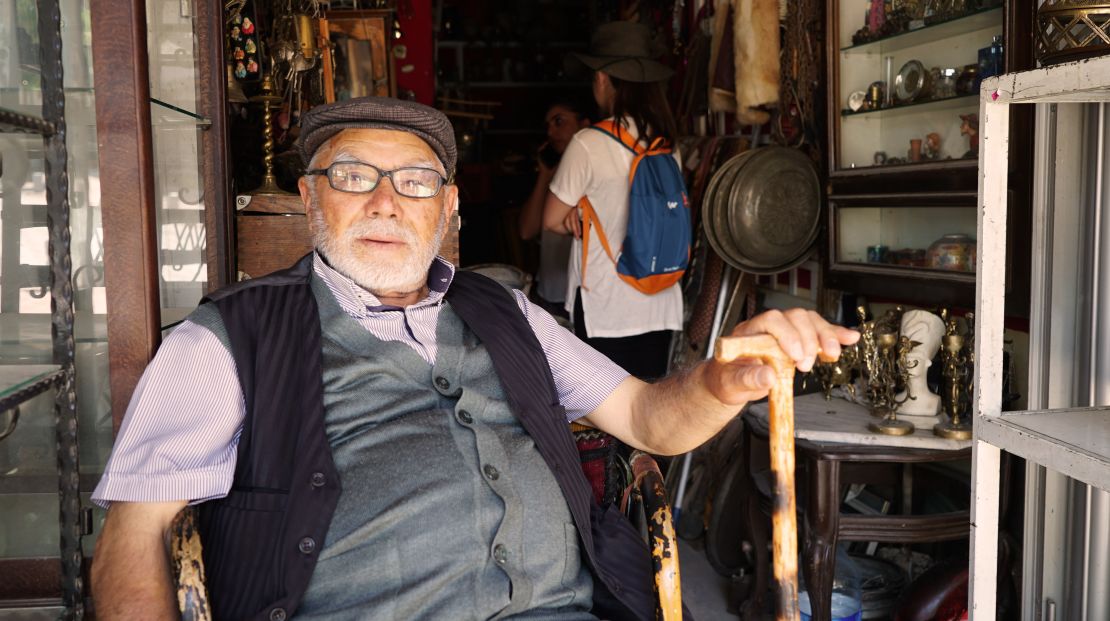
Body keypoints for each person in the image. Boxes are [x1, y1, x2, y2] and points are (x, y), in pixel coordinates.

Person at [88, 96, 858, 620]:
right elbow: (134, 538)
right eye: (354, 178)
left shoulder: (506, 310)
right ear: (311, 198)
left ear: (449, 207)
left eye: (416, 182)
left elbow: (648, 420)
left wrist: (724, 381)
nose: (386, 203)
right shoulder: (227, 338)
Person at [542, 21, 683, 381]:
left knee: (605, 426)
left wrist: (575, 213)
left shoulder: (589, 142)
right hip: (662, 300)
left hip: (607, 306)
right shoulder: (667, 144)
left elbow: (551, 220)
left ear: (603, 79)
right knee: (650, 412)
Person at [517, 99, 592, 319]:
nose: (551, 131)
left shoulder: (592, 170)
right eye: (548, 125)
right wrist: (544, 174)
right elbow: (526, 230)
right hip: (548, 290)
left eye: (559, 122)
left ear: (584, 125)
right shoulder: (555, 172)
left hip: (578, 293)